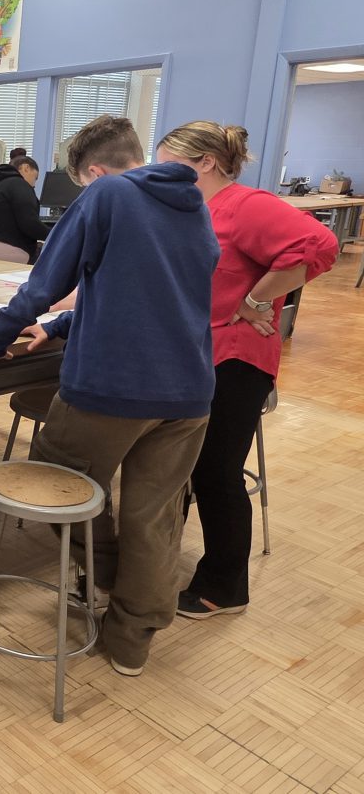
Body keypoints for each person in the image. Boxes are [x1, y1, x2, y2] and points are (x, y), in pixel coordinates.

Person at [0, 115, 219, 677]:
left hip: (112, 386)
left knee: (57, 483)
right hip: (187, 393)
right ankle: (131, 641)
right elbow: (146, 294)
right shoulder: (192, 204)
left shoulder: (107, 193)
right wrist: (60, 329)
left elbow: (46, 281)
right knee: (155, 517)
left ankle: (100, 581)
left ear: (92, 171)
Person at [156, 121, 338, 620]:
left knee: (215, 471)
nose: (158, 172)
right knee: (192, 467)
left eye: (167, 161)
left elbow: (320, 246)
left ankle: (223, 588)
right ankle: (164, 564)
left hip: (237, 356)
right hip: (198, 354)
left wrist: (256, 299)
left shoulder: (247, 204)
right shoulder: (198, 208)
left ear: (205, 162)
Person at [0, 155, 51, 264]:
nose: (34, 184)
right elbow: (30, 225)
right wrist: (56, 233)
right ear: (26, 168)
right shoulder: (20, 185)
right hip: (9, 251)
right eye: (35, 177)